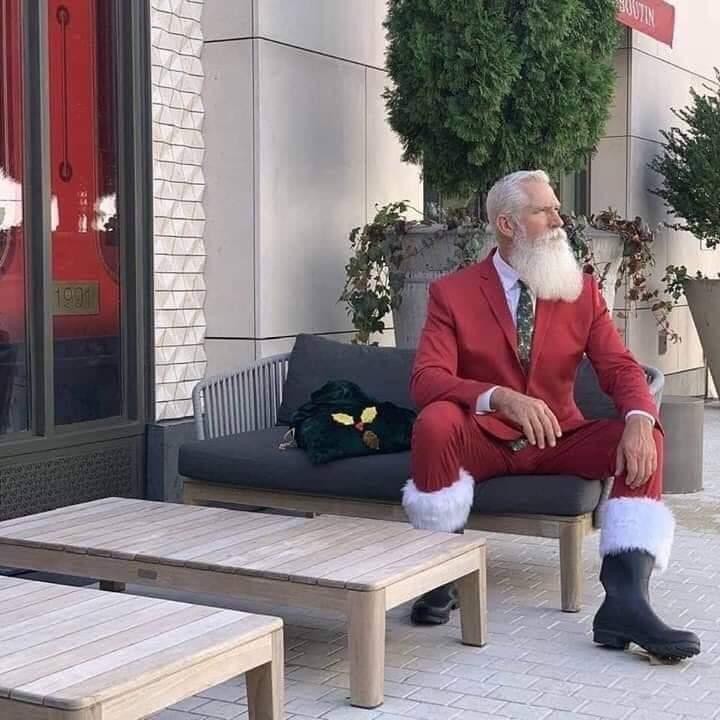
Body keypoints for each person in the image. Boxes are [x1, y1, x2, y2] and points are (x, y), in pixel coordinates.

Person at [403, 169, 700, 661]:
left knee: (647, 437)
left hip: (559, 438)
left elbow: (621, 369)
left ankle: (626, 603)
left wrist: (640, 420)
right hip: (487, 440)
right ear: (506, 223)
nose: (560, 219)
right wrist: (498, 396)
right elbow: (426, 380)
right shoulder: (452, 293)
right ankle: (440, 571)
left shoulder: (580, 290)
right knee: (435, 420)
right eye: (543, 211)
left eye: (557, 207)